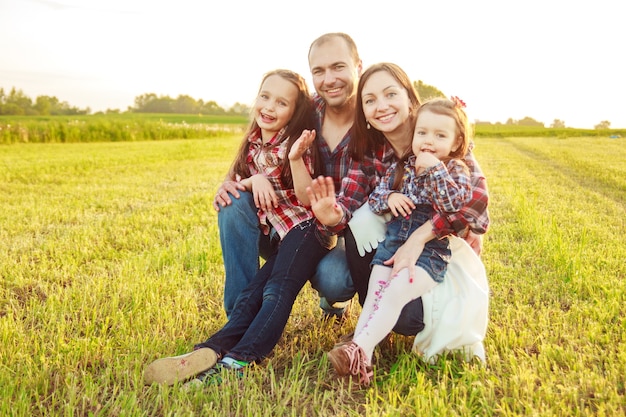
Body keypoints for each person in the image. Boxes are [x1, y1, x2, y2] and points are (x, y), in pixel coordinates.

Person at [143, 69, 335, 386]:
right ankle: (211, 348)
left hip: (306, 230)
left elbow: (305, 197)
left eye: (281, 103)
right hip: (280, 235)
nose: (270, 107)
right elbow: (232, 185)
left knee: (276, 291)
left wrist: (294, 159)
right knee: (253, 293)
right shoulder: (252, 144)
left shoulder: (297, 143)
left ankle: (239, 359)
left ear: (294, 111)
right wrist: (249, 180)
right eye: (265, 96)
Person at [304, 64, 490, 384]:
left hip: (434, 253)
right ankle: (362, 351)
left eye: (391, 94)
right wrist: (333, 215)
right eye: (370, 100)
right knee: (362, 223)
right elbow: (353, 204)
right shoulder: (381, 156)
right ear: (362, 110)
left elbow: (471, 208)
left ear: (409, 98)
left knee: (399, 307)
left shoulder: (445, 146)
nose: (382, 106)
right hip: (390, 246)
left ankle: (368, 340)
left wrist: (421, 235)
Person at [213, 32, 362, 320]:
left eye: (338, 67)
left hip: (328, 230)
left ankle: (334, 301)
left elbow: (423, 130)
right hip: (279, 229)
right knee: (233, 204)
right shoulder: (296, 116)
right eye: (319, 70)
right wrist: (230, 187)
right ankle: (239, 315)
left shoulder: (374, 114)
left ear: (358, 65)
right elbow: (240, 170)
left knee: (333, 278)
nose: (329, 79)